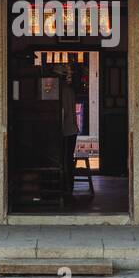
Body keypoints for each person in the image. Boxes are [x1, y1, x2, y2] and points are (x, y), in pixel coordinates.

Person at [60, 66, 79, 202]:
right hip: (71, 128)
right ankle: (68, 186)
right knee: (68, 157)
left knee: (65, 158)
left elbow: (65, 112)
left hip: (66, 129)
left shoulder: (64, 90)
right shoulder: (69, 90)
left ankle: (66, 187)